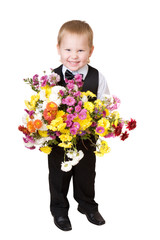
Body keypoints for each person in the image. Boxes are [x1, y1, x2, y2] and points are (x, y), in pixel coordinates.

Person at [48, 20, 110, 231]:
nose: (74, 56)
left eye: (80, 50)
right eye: (68, 49)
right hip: (58, 140)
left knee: (86, 174)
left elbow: (105, 103)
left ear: (91, 50)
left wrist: (103, 118)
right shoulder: (52, 78)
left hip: (87, 138)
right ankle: (59, 210)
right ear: (58, 49)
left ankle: (87, 205)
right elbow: (43, 106)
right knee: (59, 176)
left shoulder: (97, 77)